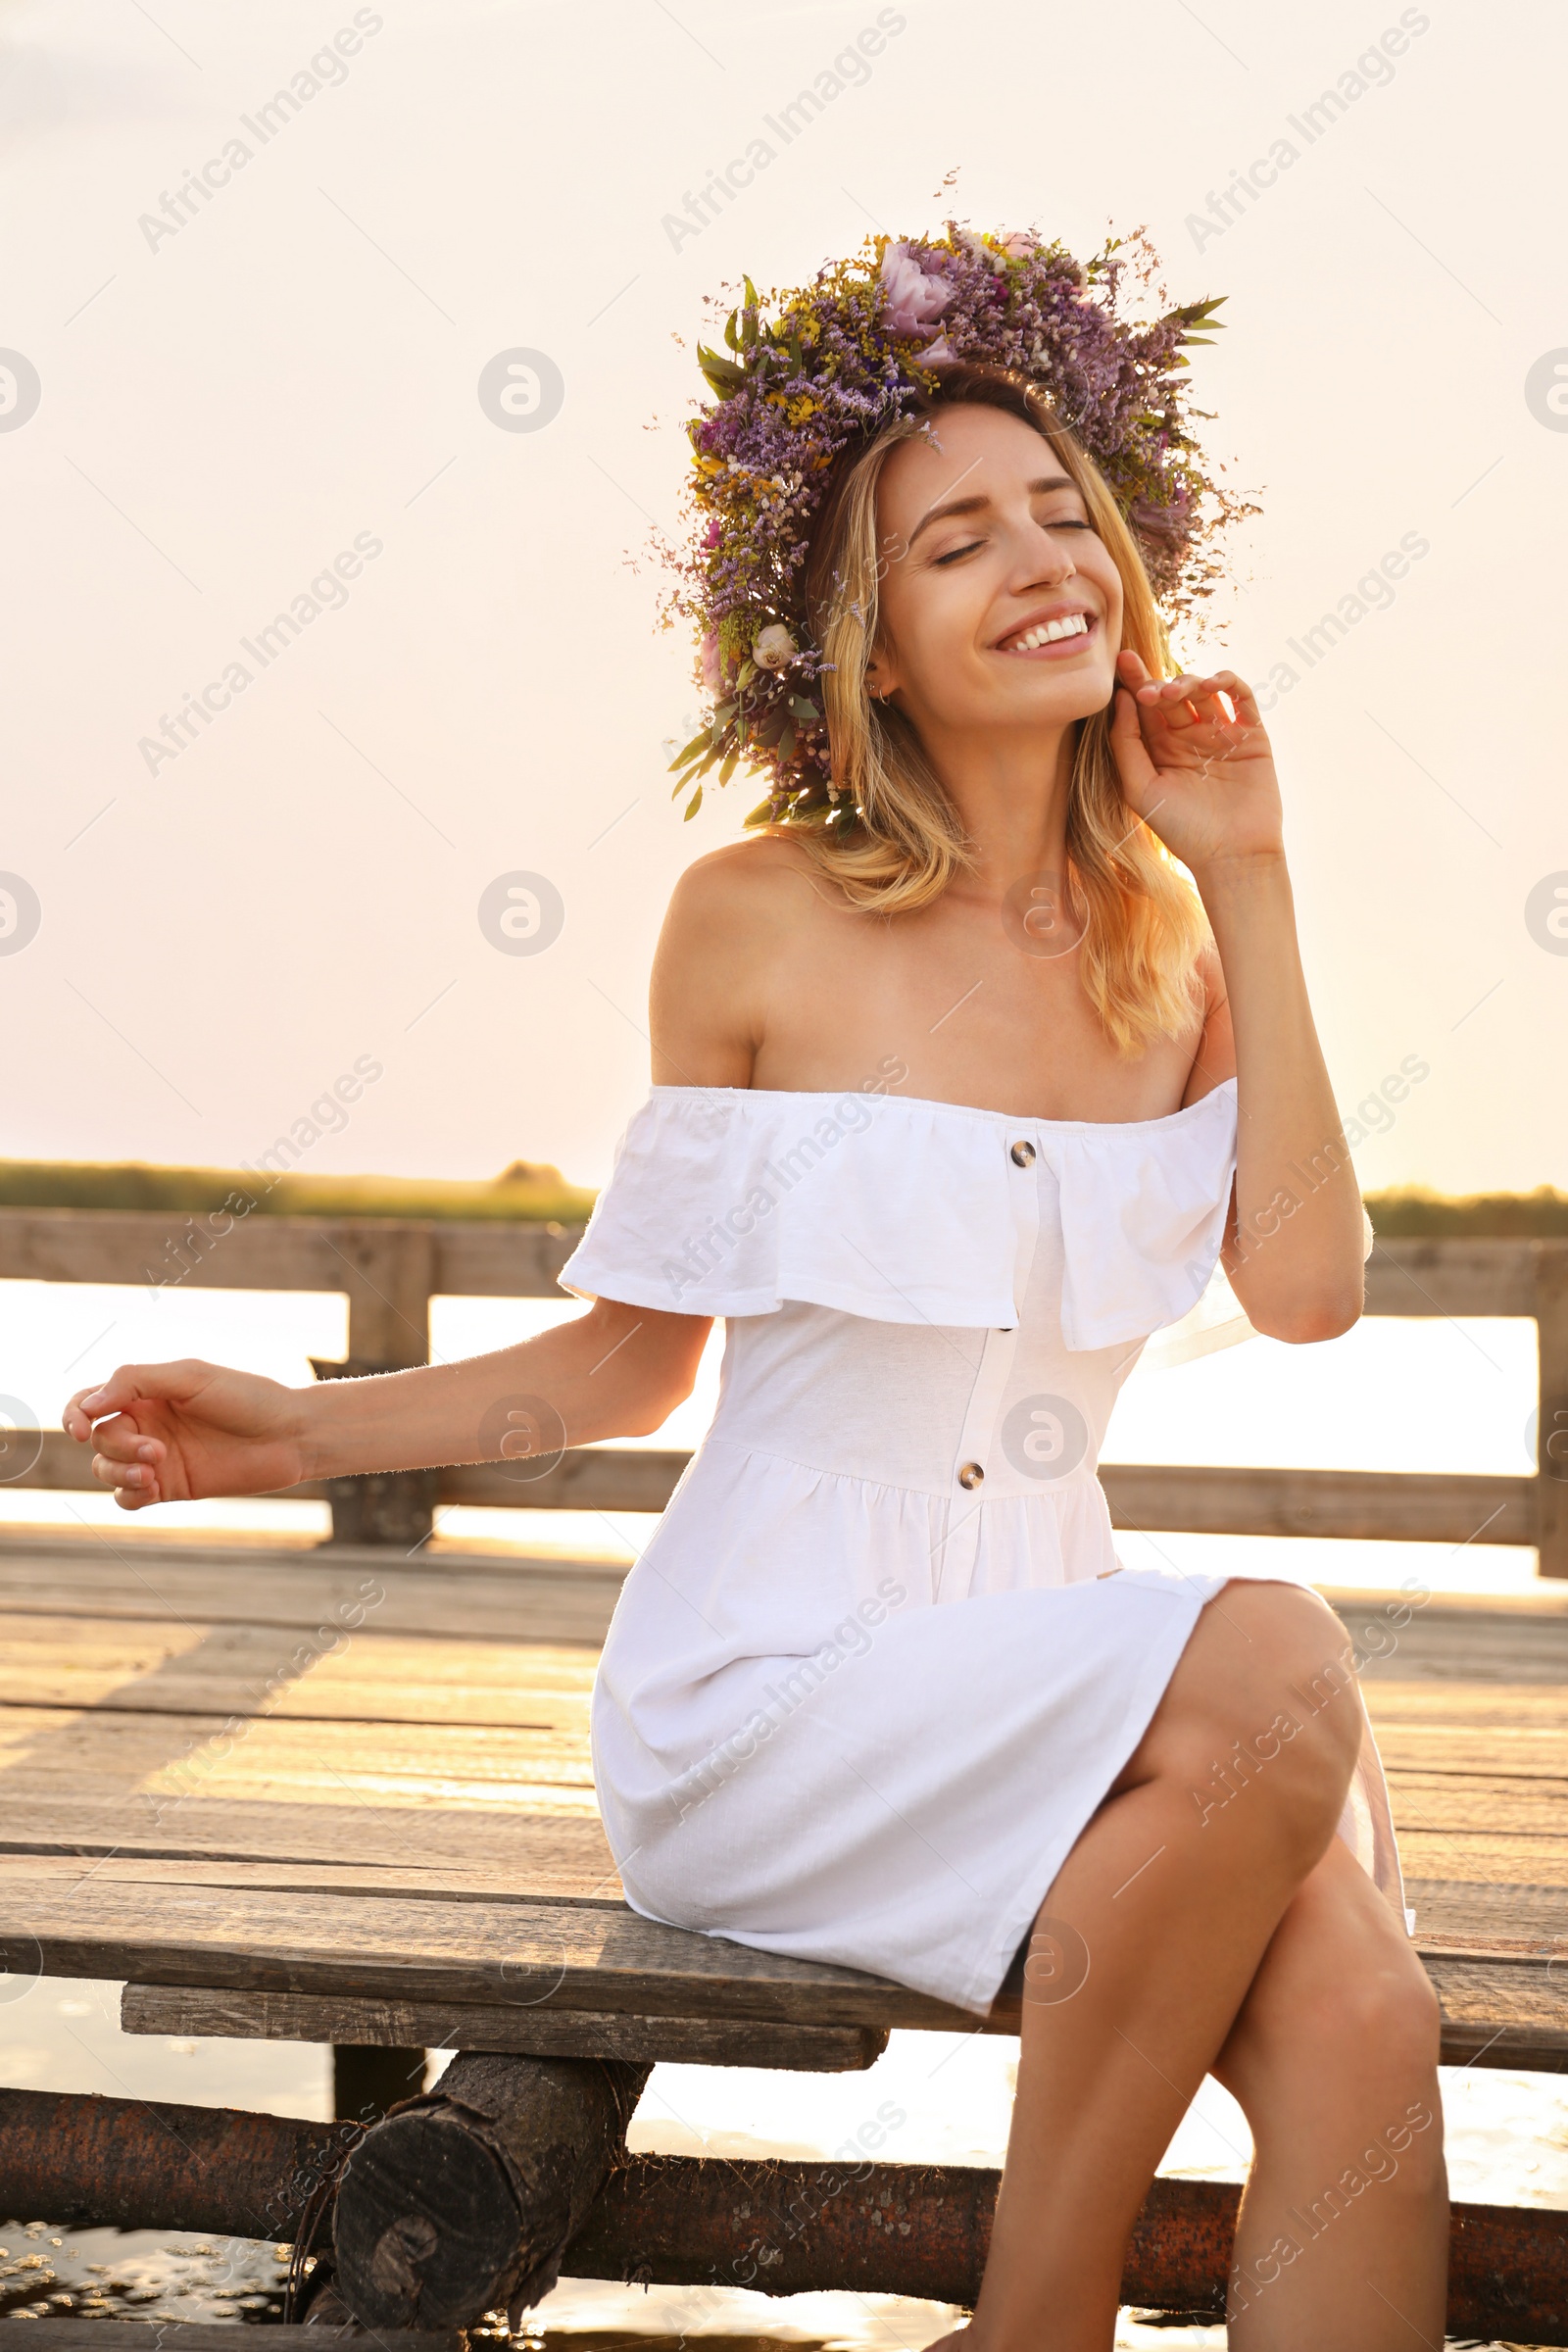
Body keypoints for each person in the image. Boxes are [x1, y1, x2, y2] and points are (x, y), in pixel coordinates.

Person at [65, 233, 1446, 2349]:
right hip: (782, 1688)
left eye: (1064, 516)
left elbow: (1310, 1292)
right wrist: (303, 1425)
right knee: (1276, 1651)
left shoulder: (1171, 928)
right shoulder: (753, 922)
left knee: (1361, 2004)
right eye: (956, 542)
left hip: (1078, 1684)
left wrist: (1249, 869)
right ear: (866, 645)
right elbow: (635, 1366)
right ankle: (1035, 2320)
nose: (1038, 562)